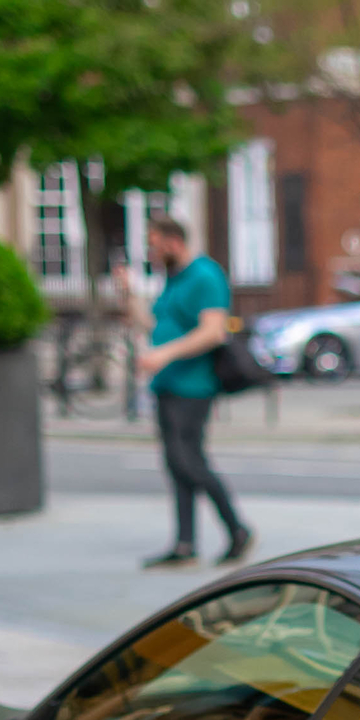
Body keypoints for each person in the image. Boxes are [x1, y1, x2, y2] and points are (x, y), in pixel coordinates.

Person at [126, 214, 253, 567]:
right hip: (166, 384)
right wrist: (129, 295)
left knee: (189, 460)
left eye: (153, 244)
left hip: (193, 385)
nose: (150, 252)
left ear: (172, 241)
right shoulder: (173, 280)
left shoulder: (205, 275)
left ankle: (237, 529)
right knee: (175, 464)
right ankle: (184, 544)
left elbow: (213, 331)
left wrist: (163, 355)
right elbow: (154, 325)